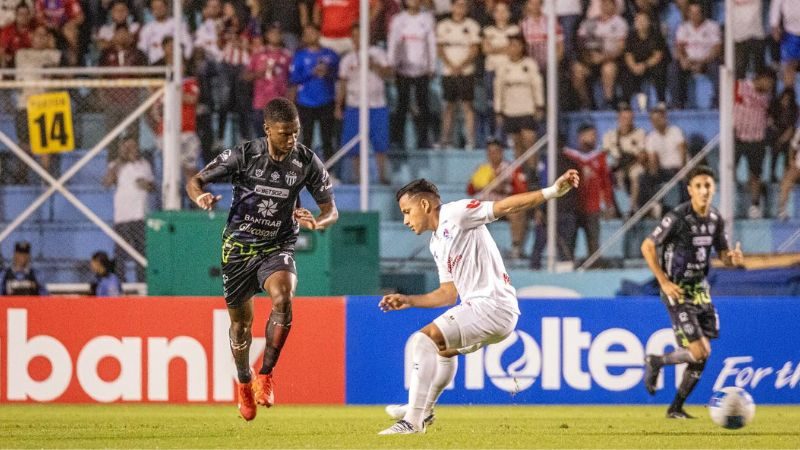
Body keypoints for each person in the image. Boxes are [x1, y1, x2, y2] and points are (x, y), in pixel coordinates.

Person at [378, 169, 580, 434]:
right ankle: (423, 410)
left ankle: (412, 420)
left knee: (421, 340)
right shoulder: (436, 243)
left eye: (406, 211)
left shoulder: (457, 213)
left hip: (492, 306)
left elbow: (504, 206)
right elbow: (448, 294)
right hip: (486, 310)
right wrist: (409, 300)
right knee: (443, 349)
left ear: (424, 204)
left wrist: (552, 191)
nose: (405, 220)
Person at [185, 97, 338, 421]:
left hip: (277, 244)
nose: (292, 139)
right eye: (284, 133)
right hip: (239, 248)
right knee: (241, 327)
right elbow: (195, 180)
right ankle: (244, 382)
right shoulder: (244, 156)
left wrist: (317, 221)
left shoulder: (307, 162)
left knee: (284, 297)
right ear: (267, 129)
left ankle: (266, 376)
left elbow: (331, 210)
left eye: (296, 132)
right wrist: (200, 196)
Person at [642, 165, 745, 419]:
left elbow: (723, 255)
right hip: (677, 291)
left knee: (702, 356)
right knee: (701, 351)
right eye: (698, 186)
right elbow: (647, 246)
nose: (703, 190)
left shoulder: (715, 219)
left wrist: (732, 259)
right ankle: (656, 363)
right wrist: (663, 282)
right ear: (689, 190)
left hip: (701, 291)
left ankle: (675, 406)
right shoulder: (677, 217)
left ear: (714, 188)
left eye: (708, 185)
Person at [335, 23, 392, 184]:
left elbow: (390, 74)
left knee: (380, 144)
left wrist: (373, 65)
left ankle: (382, 176)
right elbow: (343, 83)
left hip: (377, 105)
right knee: (354, 146)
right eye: (355, 36)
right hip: (354, 106)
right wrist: (339, 105)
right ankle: (358, 178)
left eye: (360, 35)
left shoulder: (378, 53)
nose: (358, 39)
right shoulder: (347, 59)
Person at [466, 138, 529, 259]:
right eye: (489, 152)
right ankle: (475, 250)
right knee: (468, 212)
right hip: (485, 204)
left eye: (495, 151)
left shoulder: (511, 168)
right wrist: (480, 184)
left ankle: (516, 248)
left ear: (501, 152)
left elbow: (522, 190)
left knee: (517, 212)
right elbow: (470, 190)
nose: (492, 155)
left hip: (503, 204)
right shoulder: (482, 168)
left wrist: (504, 188)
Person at [102, 137, 155, 282]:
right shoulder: (116, 165)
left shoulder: (144, 164)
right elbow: (107, 182)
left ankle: (142, 281)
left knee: (141, 251)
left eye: (133, 146)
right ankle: (120, 281)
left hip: (140, 214)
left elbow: (152, 186)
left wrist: (146, 185)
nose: (131, 149)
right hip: (123, 215)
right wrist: (121, 160)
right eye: (127, 147)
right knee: (121, 252)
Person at [386, 0, 436, 150]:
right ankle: (397, 139)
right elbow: (393, 42)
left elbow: (431, 43)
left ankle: (423, 139)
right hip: (403, 69)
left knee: (423, 105)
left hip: (421, 69)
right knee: (402, 104)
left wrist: (431, 65)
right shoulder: (398, 19)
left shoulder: (427, 18)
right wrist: (391, 63)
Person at [435, 0, 480, 149]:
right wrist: (451, 66)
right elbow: (440, 49)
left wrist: (461, 66)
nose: (461, 8)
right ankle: (445, 140)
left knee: (468, 106)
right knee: (449, 106)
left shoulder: (472, 25)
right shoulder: (443, 26)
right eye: (458, 5)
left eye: (464, 5)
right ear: (452, 7)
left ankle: (470, 141)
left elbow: (474, 49)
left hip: (466, 71)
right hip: (449, 72)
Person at [290, 24, 339, 161]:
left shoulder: (331, 54)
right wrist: (311, 74)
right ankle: (305, 171)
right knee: (307, 139)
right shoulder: (300, 56)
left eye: (312, 32)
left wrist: (327, 73)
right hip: (305, 102)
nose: (309, 36)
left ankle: (329, 170)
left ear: (318, 34)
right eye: (306, 33)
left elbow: (338, 76)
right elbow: (294, 79)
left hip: (327, 101)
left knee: (327, 138)